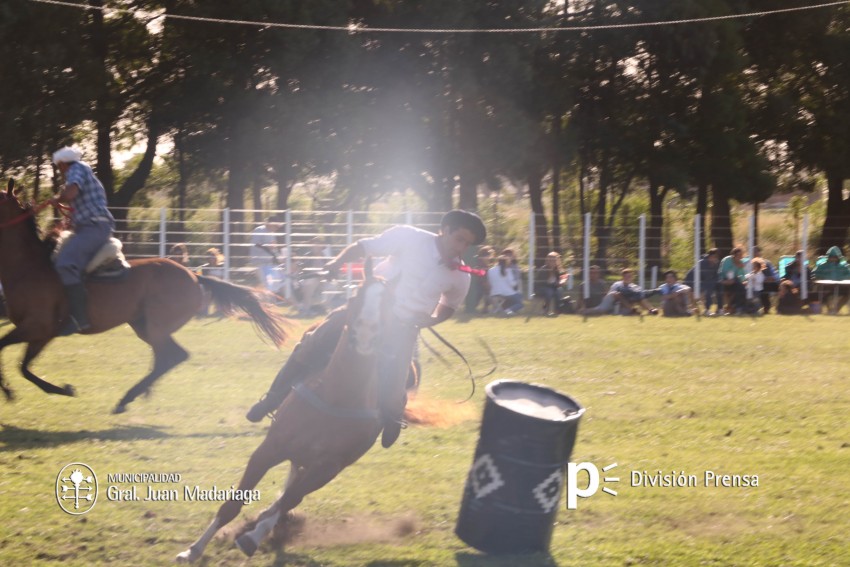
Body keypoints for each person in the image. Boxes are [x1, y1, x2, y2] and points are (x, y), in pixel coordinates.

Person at [245, 210, 487, 449]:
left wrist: (428, 321)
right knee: (314, 341)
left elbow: (449, 306)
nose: (461, 248)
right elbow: (364, 247)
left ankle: (391, 416)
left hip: (403, 329)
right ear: (444, 230)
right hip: (364, 312)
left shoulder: (461, 276)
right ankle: (273, 398)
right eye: (459, 239)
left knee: (399, 383)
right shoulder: (408, 237)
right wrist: (336, 262)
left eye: (467, 244)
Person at [51, 146, 116, 335]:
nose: (60, 171)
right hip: (91, 226)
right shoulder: (82, 170)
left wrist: (58, 199)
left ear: (63, 163)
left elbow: (70, 193)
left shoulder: (76, 169)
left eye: (58, 167)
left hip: (94, 226)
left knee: (65, 264)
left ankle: (79, 319)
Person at [580, 268, 658, 316]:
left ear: (633, 277)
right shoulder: (617, 284)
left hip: (624, 305)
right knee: (615, 295)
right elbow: (613, 296)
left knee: (640, 297)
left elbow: (640, 295)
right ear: (622, 277)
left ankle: (651, 310)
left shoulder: (635, 286)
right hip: (612, 303)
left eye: (630, 276)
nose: (628, 278)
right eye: (626, 276)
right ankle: (584, 311)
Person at [813, 246, 850, 315]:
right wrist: (824, 277)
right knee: (822, 292)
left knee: (848, 293)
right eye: (831, 257)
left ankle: (835, 309)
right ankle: (830, 310)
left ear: (838, 258)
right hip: (826, 287)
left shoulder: (843, 267)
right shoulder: (822, 266)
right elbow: (815, 274)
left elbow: (849, 274)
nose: (833, 259)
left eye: (835, 257)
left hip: (840, 287)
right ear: (828, 257)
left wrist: (841, 277)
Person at [683, 248, 721, 316]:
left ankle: (719, 309)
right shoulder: (702, 263)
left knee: (718, 286)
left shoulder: (716, 264)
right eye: (715, 256)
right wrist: (714, 281)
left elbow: (716, 275)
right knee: (708, 289)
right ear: (710, 256)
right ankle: (706, 310)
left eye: (717, 257)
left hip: (703, 282)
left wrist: (718, 281)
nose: (716, 259)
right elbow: (707, 277)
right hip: (691, 281)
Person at [250, 218, 283, 290]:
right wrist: (268, 246)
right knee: (266, 283)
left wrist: (279, 257)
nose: (276, 228)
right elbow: (256, 243)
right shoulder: (259, 230)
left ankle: (272, 298)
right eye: (275, 226)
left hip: (270, 262)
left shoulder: (272, 233)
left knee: (276, 282)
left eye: (277, 227)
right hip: (260, 262)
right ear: (270, 224)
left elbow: (274, 248)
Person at [718, 247, 747, 314]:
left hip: (734, 280)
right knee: (734, 287)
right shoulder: (727, 260)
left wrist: (743, 280)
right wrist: (736, 266)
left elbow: (741, 274)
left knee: (741, 288)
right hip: (723, 278)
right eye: (739, 255)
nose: (740, 257)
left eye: (741, 255)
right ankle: (731, 307)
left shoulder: (741, 262)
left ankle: (738, 308)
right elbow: (724, 271)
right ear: (734, 255)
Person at [537, 251, 566, 316]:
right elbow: (545, 282)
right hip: (541, 288)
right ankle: (546, 309)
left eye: (554, 260)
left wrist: (562, 281)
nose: (552, 262)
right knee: (549, 291)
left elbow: (561, 278)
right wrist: (550, 271)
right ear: (547, 260)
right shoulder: (544, 269)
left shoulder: (558, 270)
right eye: (550, 260)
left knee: (559, 290)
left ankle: (557, 310)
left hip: (553, 287)